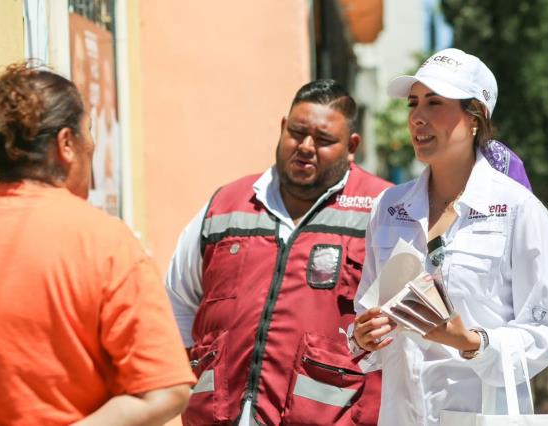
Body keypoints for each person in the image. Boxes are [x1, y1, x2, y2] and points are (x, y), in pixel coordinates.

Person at [352, 48, 548, 426]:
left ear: (475, 119)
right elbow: (364, 315)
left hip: (480, 415)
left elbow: (545, 330)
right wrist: (364, 336)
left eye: (435, 103)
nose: (417, 116)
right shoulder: (388, 206)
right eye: (414, 103)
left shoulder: (519, 209)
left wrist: (471, 342)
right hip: (401, 415)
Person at [166, 79, 392, 425]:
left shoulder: (383, 210)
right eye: (297, 133)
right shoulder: (225, 205)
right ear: (282, 127)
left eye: (323, 139)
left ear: (352, 146)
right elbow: (179, 302)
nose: (305, 146)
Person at [0, 63, 196, 425]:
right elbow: (166, 391)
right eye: (89, 132)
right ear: (66, 144)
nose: (93, 145)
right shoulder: (105, 243)